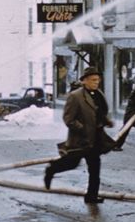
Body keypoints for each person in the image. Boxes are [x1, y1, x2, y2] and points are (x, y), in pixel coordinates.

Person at [44, 66, 117, 204]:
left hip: (95, 138)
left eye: (98, 80)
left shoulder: (99, 94)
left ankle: (91, 196)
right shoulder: (76, 96)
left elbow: (99, 112)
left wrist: (106, 121)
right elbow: (68, 119)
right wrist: (83, 128)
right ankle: (51, 170)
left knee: (95, 168)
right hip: (80, 139)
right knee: (71, 163)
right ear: (84, 81)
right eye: (93, 80)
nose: (96, 82)